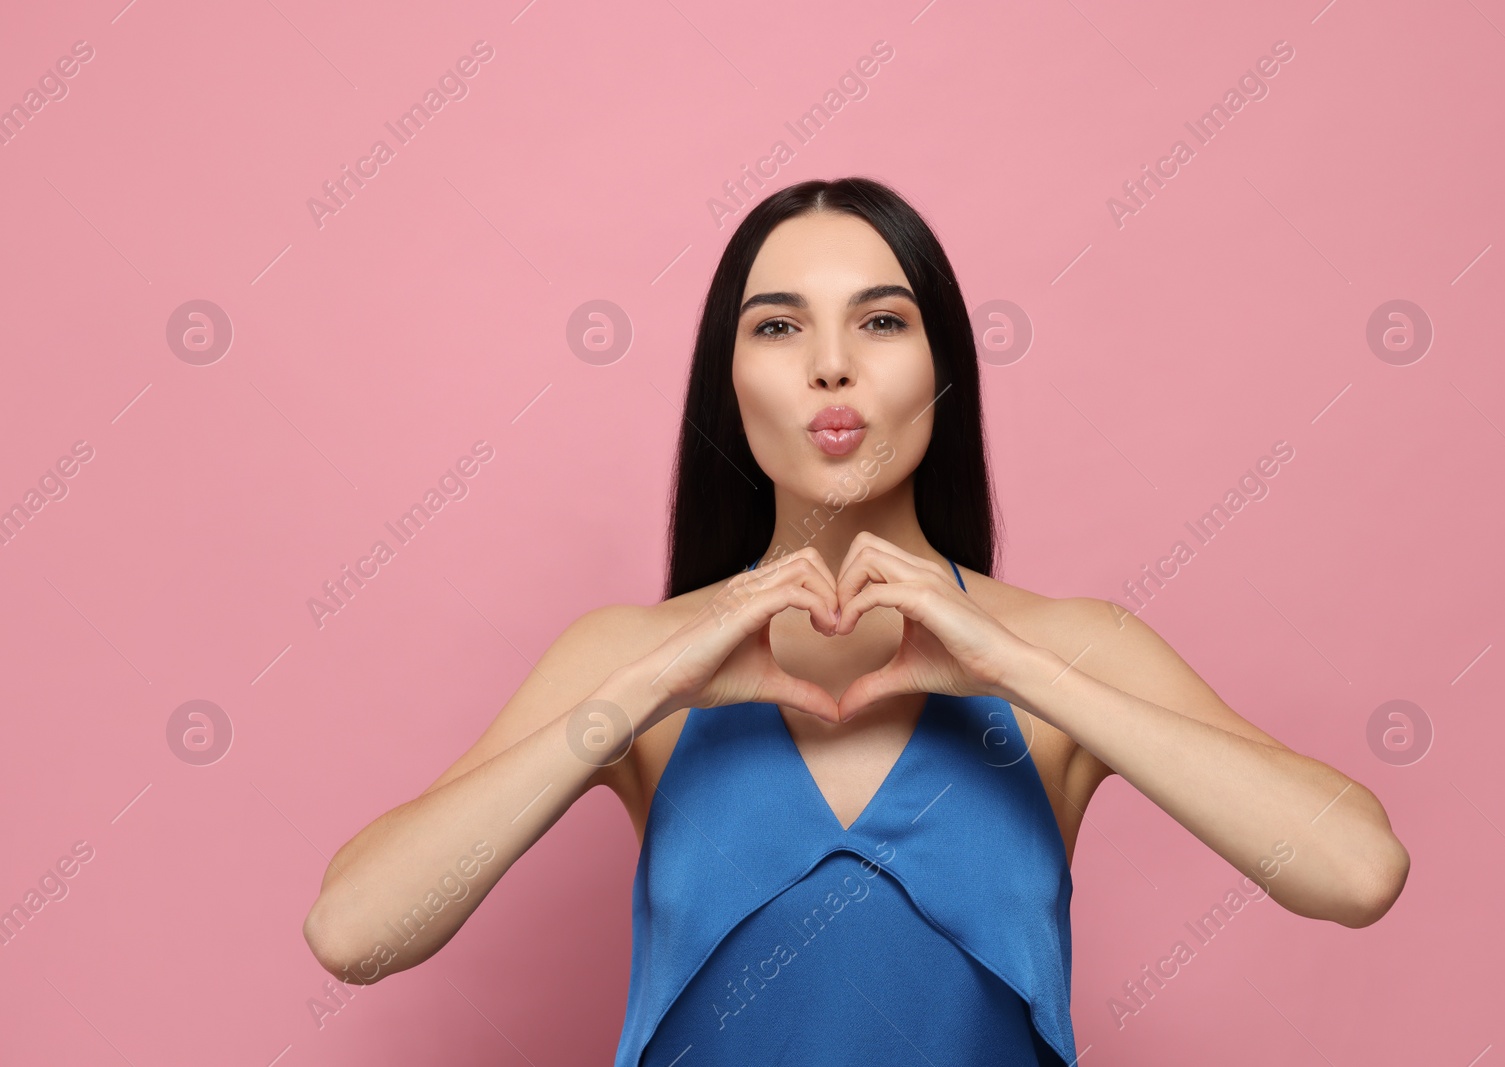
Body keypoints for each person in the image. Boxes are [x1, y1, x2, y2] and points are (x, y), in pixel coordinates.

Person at [301, 177, 1410, 1065]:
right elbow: (355, 932)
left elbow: (1356, 872)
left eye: (881, 320)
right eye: (777, 326)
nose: (832, 361)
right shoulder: (624, 660)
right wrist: (647, 686)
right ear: (728, 380)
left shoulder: (1072, 651)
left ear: (942, 370)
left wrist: (1017, 667)